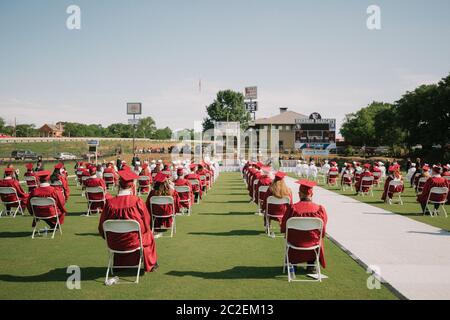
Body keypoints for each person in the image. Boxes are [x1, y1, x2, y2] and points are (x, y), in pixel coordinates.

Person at [98, 169, 158, 272]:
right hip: (134, 241)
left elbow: (101, 226)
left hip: (114, 242)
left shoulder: (109, 203)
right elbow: (145, 224)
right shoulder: (137, 202)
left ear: (118, 185)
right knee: (149, 236)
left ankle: (120, 264)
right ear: (132, 186)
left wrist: (108, 236)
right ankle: (151, 264)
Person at [281, 179, 328, 273]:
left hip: (294, 242)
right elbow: (322, 230)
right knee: (317, 238)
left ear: (299, 194)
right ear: (312, 194)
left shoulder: (292, 208)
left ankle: (292, 263)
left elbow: (284, 226)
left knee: (293, 236)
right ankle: (311, 265)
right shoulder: (320, 209)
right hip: (313, 242)